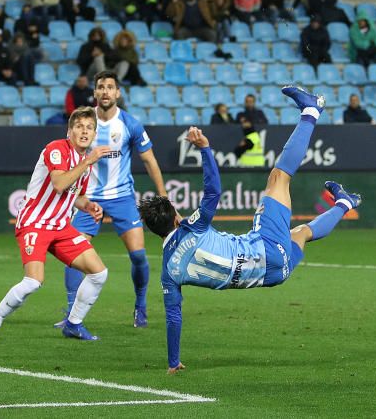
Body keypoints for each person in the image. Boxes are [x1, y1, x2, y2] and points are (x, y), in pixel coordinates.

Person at [138, 88, 361, 372]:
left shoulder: (169, 270)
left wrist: (173, 362)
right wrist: (206, 149)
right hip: (264, 247)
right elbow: (213, 192)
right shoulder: (190, 228)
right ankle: (311, 110)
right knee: (278, 179)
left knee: (302, 233)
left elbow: (173, 316)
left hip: (276, 274)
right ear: (176, 218)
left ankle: (344, 202)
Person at [0, 107, 111, 343]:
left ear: (94, 133)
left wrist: (88, 205)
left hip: (60, 227)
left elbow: (74, 195)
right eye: (79, 126)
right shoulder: (57, 149)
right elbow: (59, 183)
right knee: (33, 282)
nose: (84, 131)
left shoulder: (85, 164)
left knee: (99, 273)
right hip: (34, 223)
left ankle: (73, 324)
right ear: (69, 131)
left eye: (89, 127)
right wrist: (89, 159)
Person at [61, 71, 167, 328]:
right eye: (101, 87)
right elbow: (68, 157)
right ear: (95, 93)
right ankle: (71, 313)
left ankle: (140, 305)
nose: (105, 91)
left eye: (110, 87)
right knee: (74, 257)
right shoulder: (84, 124)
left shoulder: (130, 124)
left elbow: (149, 160)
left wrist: (163, 194)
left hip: (121, 198)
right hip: (89, 199)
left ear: (117, 93)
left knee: (139, 256)